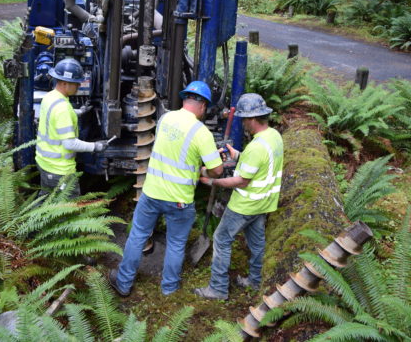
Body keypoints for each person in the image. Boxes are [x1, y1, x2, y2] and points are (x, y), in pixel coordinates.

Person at [109, 81, 224, 296]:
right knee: (176, 244)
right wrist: (203, 169)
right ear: (202, 106)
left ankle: (123, 283)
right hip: (179, 200)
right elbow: (217, 170)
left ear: (184, 100)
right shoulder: (202, 133)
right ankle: (169, 289)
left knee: (137, 236)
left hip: (151, 192)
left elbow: (172, 149)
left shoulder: (165, 119)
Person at [193, 93, 283, 300]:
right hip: (264, 202)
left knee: (221, 239)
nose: (243, 123)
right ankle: (255, 280)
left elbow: (241, 181)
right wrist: (237, 155)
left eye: (244, 119)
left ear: (252, 119)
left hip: (245, 205)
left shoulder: (255, 147)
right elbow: (260, 165)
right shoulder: (274, 137)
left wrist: (211, 181)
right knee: (257, 242)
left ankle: (217, 289)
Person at [36, 58, 106, 197]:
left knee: (46, 201)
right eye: (76, 84)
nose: (79, 86)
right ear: (64, 83)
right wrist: (95, 146)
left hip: (45, 163)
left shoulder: (50, 97)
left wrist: (79, 112)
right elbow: (70, 143)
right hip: (59, 170)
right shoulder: (63, 109)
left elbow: (54, 117)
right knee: (68, 211)